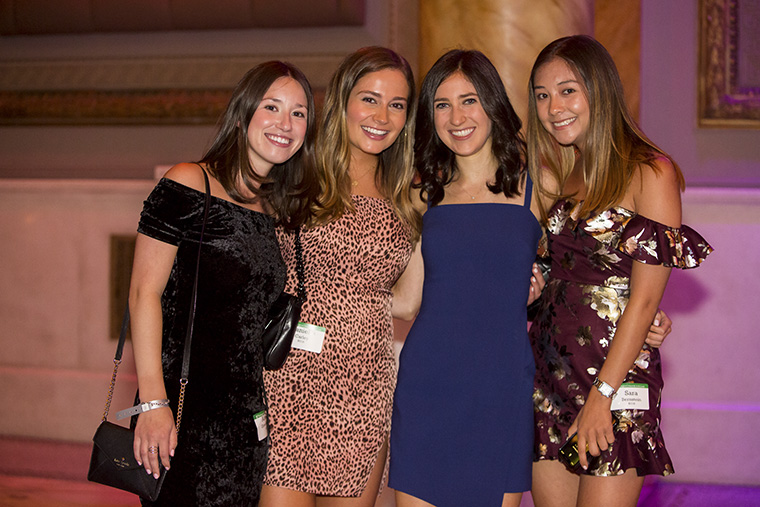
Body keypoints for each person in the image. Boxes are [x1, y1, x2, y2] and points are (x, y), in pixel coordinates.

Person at [526, 35, 713, 507]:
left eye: (568, 90)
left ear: (600, 89)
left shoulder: (651, 172)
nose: (553, 107)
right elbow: (565, 270)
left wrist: (602, 396)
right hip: (547, 373)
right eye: (542, 95)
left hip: (615, 381)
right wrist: (535, 284)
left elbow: (645, 301)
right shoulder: (567, 173)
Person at [128, 61, 316, 506]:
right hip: (182, 409)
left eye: (299, 113)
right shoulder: (189, 182)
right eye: (272, 107)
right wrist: (153, 403)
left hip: (245, 418)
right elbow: (143, 293)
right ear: (242, 113)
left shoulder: (276, 209)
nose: (285, 124)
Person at [260, 46, 421, 507]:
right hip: (287, 378)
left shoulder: (409, 195)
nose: (382, 116)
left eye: (397, 105)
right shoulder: (295, 173)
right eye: (369, 99)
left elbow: (407, 303)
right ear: (343, 101)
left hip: (364, 384)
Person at [387, 48, 542, 507]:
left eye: (469, 100)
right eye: (442, 104)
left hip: (502, 388)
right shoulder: (422, 193)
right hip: (427, 387)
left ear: (493, 103)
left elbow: (579, 271)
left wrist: (644, 314)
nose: (456, 116)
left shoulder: (539, 187)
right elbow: (406, 300)